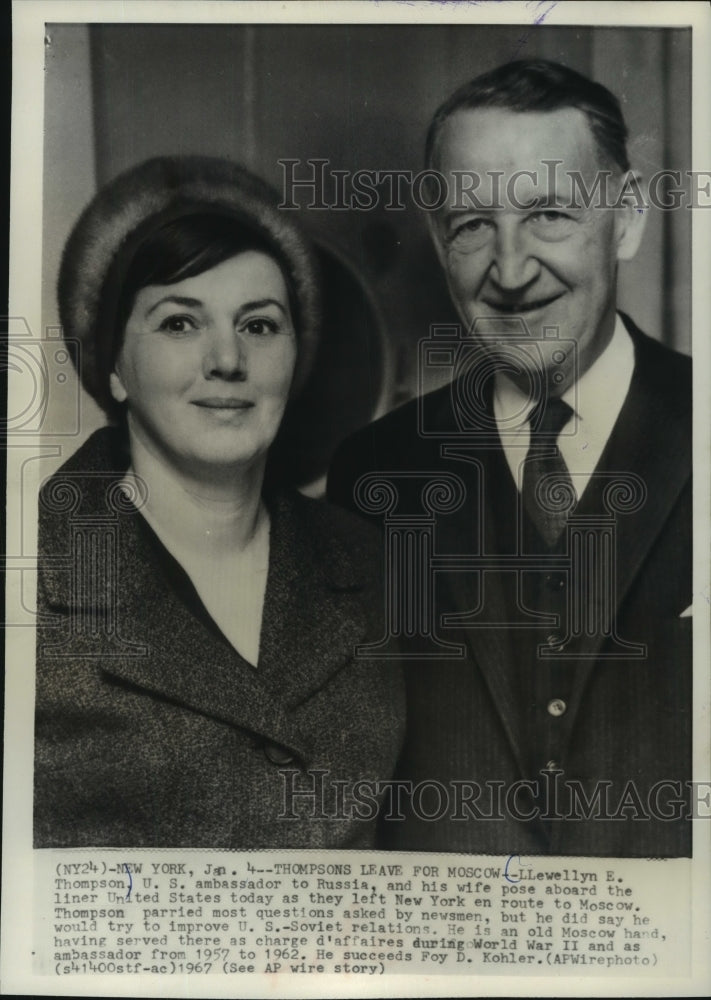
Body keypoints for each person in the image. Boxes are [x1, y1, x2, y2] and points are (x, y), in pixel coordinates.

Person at [328, 59, 692, 857]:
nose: (512, 270)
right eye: (471, 226)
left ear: (627, 218)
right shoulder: (375, 473)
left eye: (549, 214)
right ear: (438, 242)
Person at [34, 156, 405, 849]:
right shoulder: (31, 576)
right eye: (180, 323)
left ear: (295, 357)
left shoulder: (372, 566)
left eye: (259, 325)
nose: (228, 360)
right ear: (114, 367)